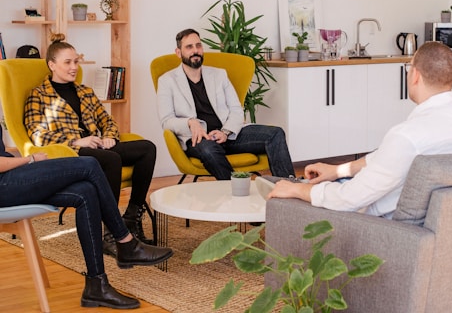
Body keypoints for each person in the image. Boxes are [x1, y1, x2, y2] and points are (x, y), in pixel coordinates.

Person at [263, 41, 452, 218]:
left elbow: (349, 199)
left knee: (290, 190)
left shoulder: (407, 136)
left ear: (415, 75)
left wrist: (298, 192)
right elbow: (387, 159)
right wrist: (338, 170)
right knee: (315, 182)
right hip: (439, 219)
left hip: (381, 224)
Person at [0, 126, 173, 310]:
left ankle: (96, 285)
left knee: (85, 192)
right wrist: (30, 159)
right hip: (5, 186)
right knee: (90, 164)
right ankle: (125, 241)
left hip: (10, 180)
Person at [24, 34, 156, 256]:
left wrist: (110, 137)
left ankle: (132, 217)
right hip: (71, 152)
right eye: (68, 62)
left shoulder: (85, 92)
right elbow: (37, 135)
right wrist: (76, 141)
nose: (74, 67)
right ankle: (110, 232)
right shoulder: (38, 96)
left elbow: (107, 120)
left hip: (97, 146)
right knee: (111, 159)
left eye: (76, 61)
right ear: (52, 65)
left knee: (147, 148)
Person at [156, 28, 295, 180]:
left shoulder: (219, 74)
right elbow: (166, 121)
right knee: (210, 151)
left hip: (228, 135)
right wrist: (190, 123)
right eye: (189, 47)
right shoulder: (167, 81)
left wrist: (226, 132)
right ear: (178, 52)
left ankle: (288, 188)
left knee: (275, 133)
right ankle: (236, 192)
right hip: (198, 139)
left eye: (198, 45)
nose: (195, 50)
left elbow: (236, 109)